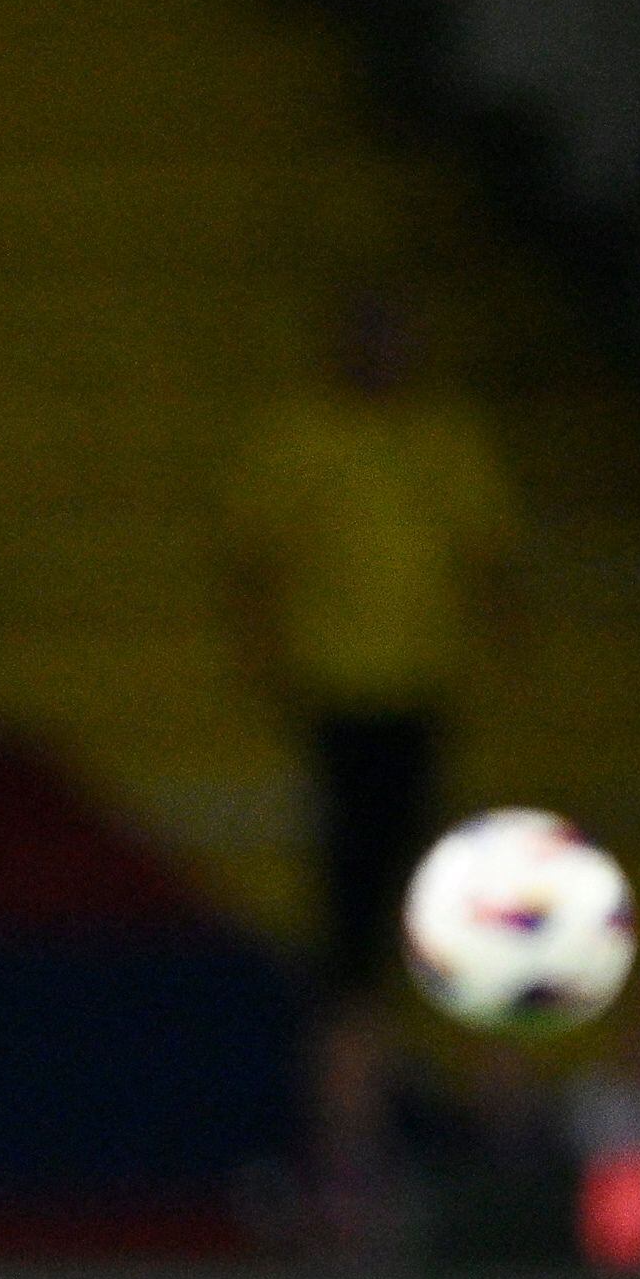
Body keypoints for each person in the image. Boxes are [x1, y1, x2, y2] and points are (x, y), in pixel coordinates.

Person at [222, 293, 520, 998]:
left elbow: (491, 559)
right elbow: (251, 560)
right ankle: (351, 1007)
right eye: (372, 335)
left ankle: (398, 996)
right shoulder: (300, 435)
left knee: (416, 864)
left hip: (422, 689)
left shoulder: (445, 437)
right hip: (335, 691)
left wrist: (500, 664)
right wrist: (265, 665)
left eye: (397, 335)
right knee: (347, 878)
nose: (386, 352)